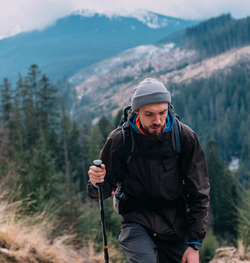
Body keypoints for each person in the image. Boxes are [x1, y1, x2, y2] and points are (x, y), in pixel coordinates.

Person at [87, 78, 210, 263]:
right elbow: (101, 191)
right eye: (149, 114)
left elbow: (199, 194)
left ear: (169, 107)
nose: (157, 120)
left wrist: (194, 245)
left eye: (162, 112)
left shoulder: (184, 137)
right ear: (136, 111)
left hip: (175, 225)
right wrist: (96, 182)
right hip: (136, 222)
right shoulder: (121, 140)